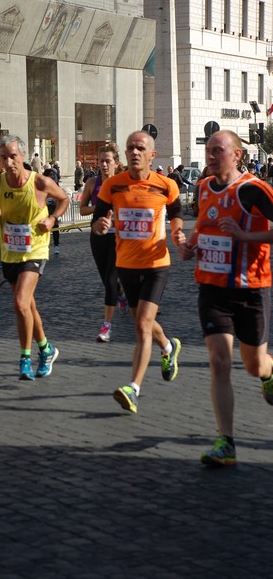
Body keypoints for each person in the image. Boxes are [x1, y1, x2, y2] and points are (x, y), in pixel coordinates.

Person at [179, 130, 273, 467]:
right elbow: (204, 226)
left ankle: (268, 374)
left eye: (219, 150)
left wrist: (246, 235)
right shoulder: (203, 187)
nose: (211, 155)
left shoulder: (252, 189)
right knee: (219, 361)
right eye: (209, 150)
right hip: (212, 288)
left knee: (254, 364)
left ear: (237, 154)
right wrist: (190, 245)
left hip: (251, 289)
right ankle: (226, 442)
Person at [92, 130, 184, 414]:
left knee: (142, 325)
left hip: (156, 264)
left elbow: (177, 211)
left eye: (140, 148)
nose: (134, 152)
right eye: (131, 147)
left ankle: (133, 387)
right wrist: (101, 226)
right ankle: (168, 347)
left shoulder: (166, 185)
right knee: (142, 323)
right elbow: (98, 219)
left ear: (151, 155)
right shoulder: (113, 186)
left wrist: (178, 232)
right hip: (126, 264)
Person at [0, 134, 69, 380]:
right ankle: (46, 349)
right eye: (3, 158)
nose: (8, 163)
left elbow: (64, 199)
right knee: (27, 306)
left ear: (23, 156)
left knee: (20, 302)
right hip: (9, 251)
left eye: (13, 157)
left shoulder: (39, 182)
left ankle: (24, 359)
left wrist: (52, 219)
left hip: (36, 249)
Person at [80, 143, 128, 342]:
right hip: (98, 234)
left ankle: (106, 326)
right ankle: (121, 296)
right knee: (105, 278)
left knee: (110, 278)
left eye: (108, 161)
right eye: (101, 161)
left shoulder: (123, 183)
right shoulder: (92, 183)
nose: (104, 165)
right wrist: (98, 207)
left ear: (116, 163)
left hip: (118, 236)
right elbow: (82, 209)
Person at [43, 166, 61, 256]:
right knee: (45, 229)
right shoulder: (42, 186)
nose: (53, 176)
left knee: (55, 229)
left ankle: (56, 245)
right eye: (51, 175)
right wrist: (45, 201)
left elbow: (62, 198)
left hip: (54, 209)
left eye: (53, 175)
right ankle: (44, 247)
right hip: (45, 210)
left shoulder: (56, 185)